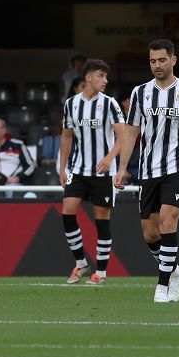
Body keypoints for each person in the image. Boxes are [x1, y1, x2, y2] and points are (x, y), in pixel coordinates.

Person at [115, 39, 179, 303]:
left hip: (177, 168)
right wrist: (122, 167)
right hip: (147, 170)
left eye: (161, 60)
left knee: (168, 222)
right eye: (152, 61)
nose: (157, 65)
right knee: (150, 233)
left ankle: (162, 285)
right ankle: (176, 271)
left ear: (173, 60)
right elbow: (131, 131)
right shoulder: (140, 93)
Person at [58, 59, 126, 286]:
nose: (105, 81)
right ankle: (81, 263)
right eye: (100, 76)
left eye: (106, 77)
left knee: (102, 220)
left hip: (103, 172)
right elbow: (66, 137)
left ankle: (101, 273)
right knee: (68, 213)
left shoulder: (110, 104)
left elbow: (123, 135)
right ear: (88, 77)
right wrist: (62, 167)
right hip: (78, 169)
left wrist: (109, 158)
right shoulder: (71, 104)